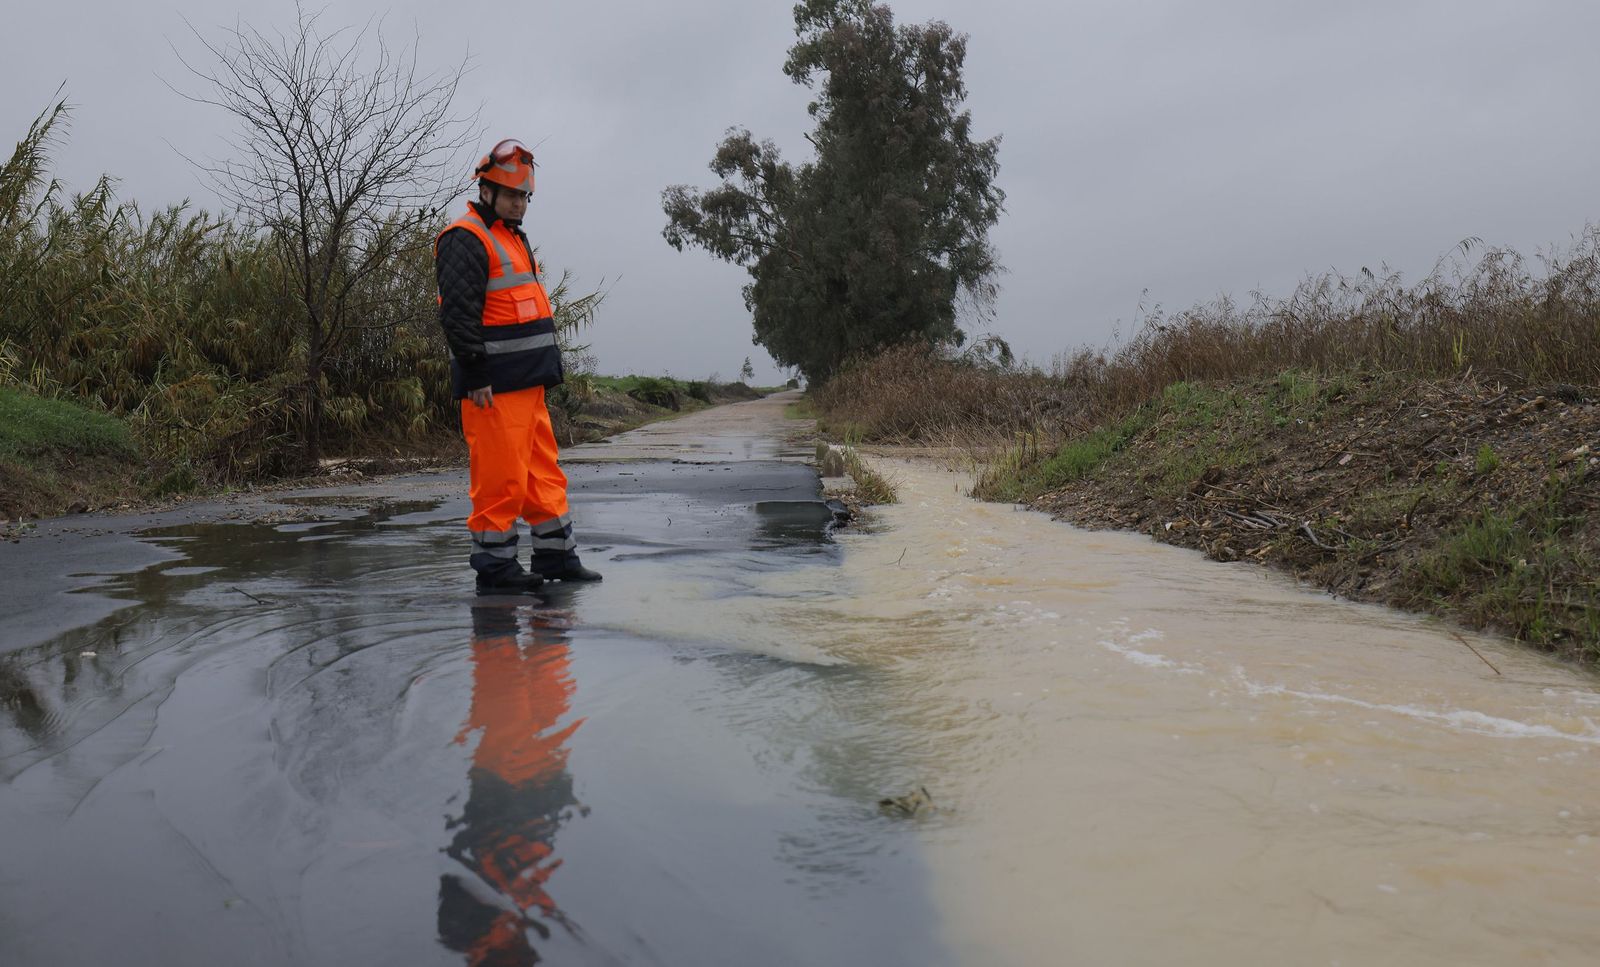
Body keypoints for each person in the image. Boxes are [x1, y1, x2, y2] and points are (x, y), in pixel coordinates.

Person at [436, 138, 602, 594]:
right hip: (492, 388)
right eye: (512, 195)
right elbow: (458, 315)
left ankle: (557, 556)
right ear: (485, 192)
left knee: (542, 474)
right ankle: (495, 568)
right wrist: (474, 375)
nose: (520, 204)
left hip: (527, 386)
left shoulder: (511, 237)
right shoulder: (465, 238)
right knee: (499, 478)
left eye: (525, 196)